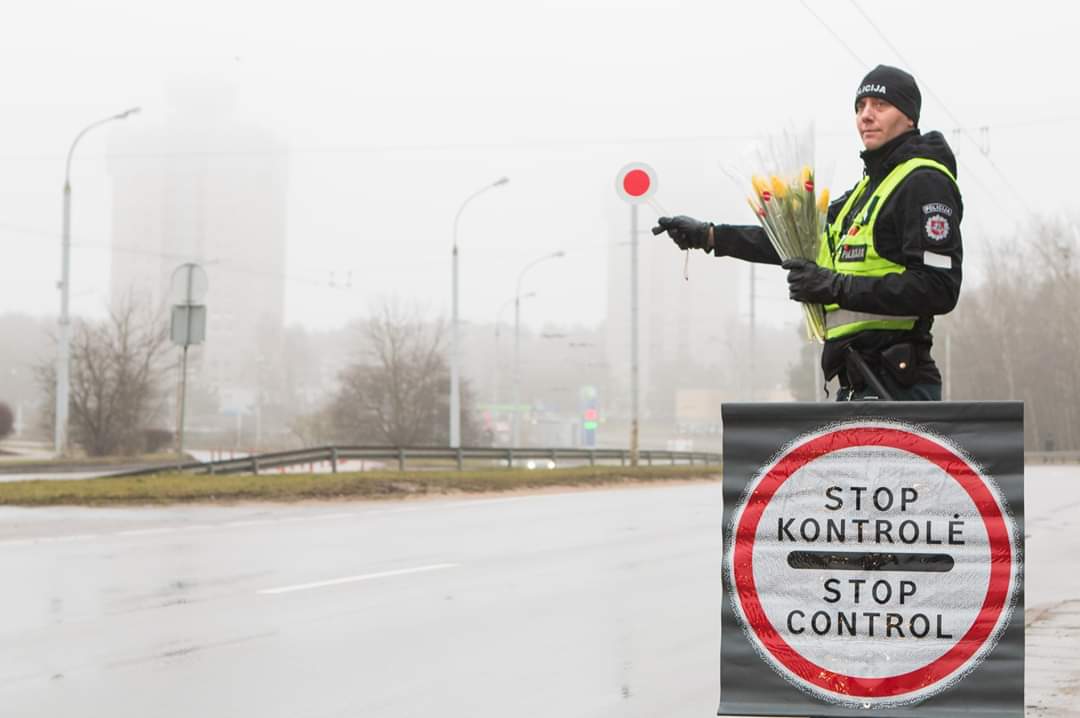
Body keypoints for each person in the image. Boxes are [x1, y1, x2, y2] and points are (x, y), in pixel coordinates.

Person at [654, 65, 963, 401]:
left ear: (909, 117)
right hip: (859, 382)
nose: (866, 116)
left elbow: (939, 288)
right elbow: (793, 242)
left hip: (899, 386)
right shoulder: (863, 193)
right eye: (860, 107)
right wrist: (710, 236)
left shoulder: (923, 182)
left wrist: (835, 286)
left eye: (880, 105)